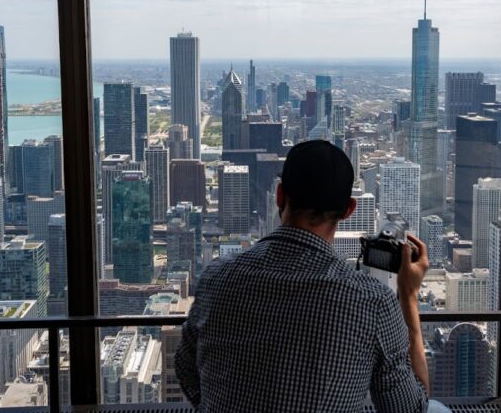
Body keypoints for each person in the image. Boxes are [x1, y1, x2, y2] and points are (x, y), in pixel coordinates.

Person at [175, 139, 443, 412]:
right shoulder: (372, 302)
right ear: (349, 210)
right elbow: (411, 408)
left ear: (280, 196)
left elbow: (185, 367)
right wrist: (408, 295)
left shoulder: (216, 278)